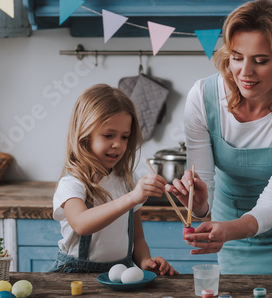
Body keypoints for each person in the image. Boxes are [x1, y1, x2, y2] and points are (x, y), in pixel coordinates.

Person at [167, 0, 272, 275]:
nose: (245, 72)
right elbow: (204, 184)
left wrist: (227, 231)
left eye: (261, 61)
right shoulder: (203, 98)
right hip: (227, 229)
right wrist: (201, 205)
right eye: (237, 57)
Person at [49, 84, 177, 275]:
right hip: (77, 277)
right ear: (84, 135)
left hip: (121, 275)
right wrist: (132, 198)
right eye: (108, 135)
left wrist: (145, 262)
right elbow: (82, 224)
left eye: (125, 137)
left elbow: (138, 240)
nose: (118, 144)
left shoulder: (127, 180)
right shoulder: (73, 183)